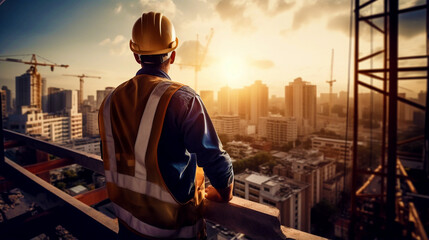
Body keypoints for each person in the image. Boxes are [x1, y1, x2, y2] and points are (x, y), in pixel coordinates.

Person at [98, 11, 234, 240]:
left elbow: (112, 157)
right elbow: (215, 160)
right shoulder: (183, 99)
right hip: (175, 231)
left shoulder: (109, 101)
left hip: (127, 226)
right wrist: (224, 193)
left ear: (135, 55)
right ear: (172, 55)